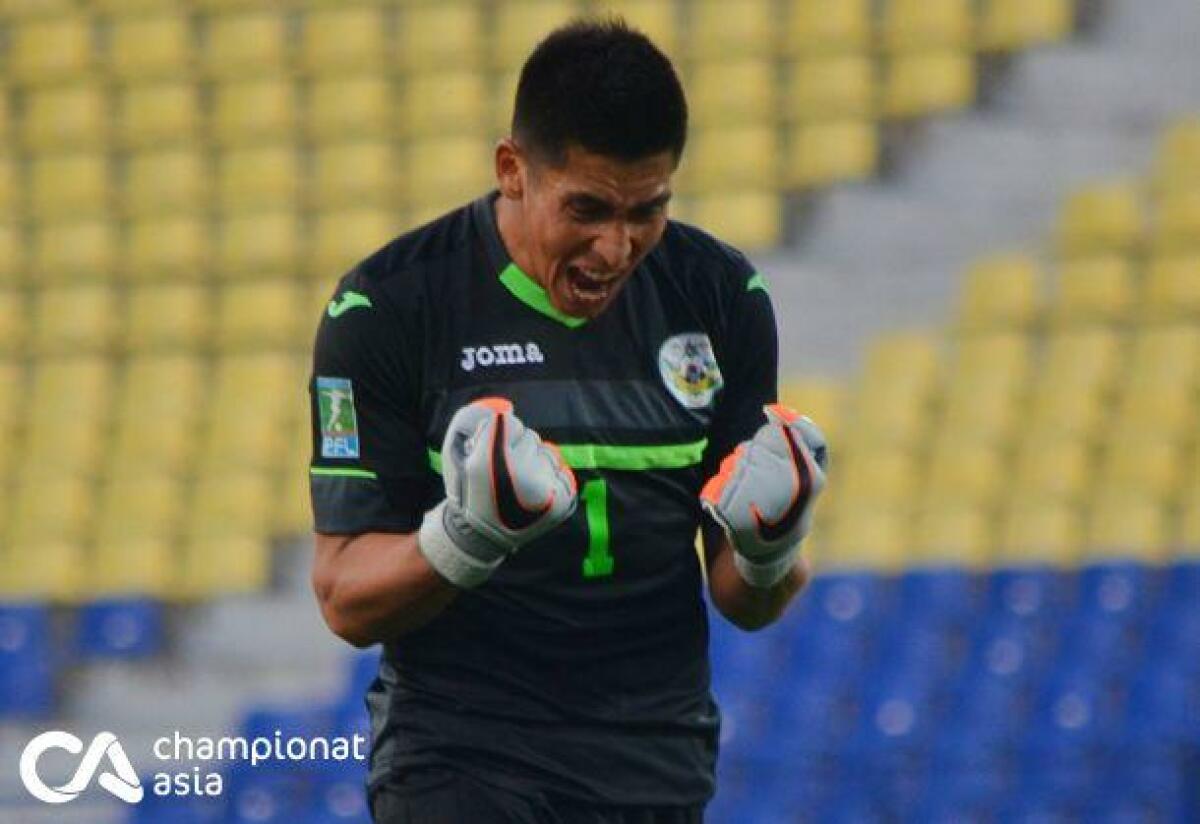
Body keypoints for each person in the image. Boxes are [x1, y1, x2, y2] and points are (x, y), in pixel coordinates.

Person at [309, 18, 828, 824]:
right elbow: (345, 597)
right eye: (586, 208)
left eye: (647, 210)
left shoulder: (721, 295)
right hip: (463, 757)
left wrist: (772, 546)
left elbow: (742, 600)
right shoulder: (388, 306)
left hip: (657, 763)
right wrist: (466, 535)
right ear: (512, 171)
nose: (616, 247)